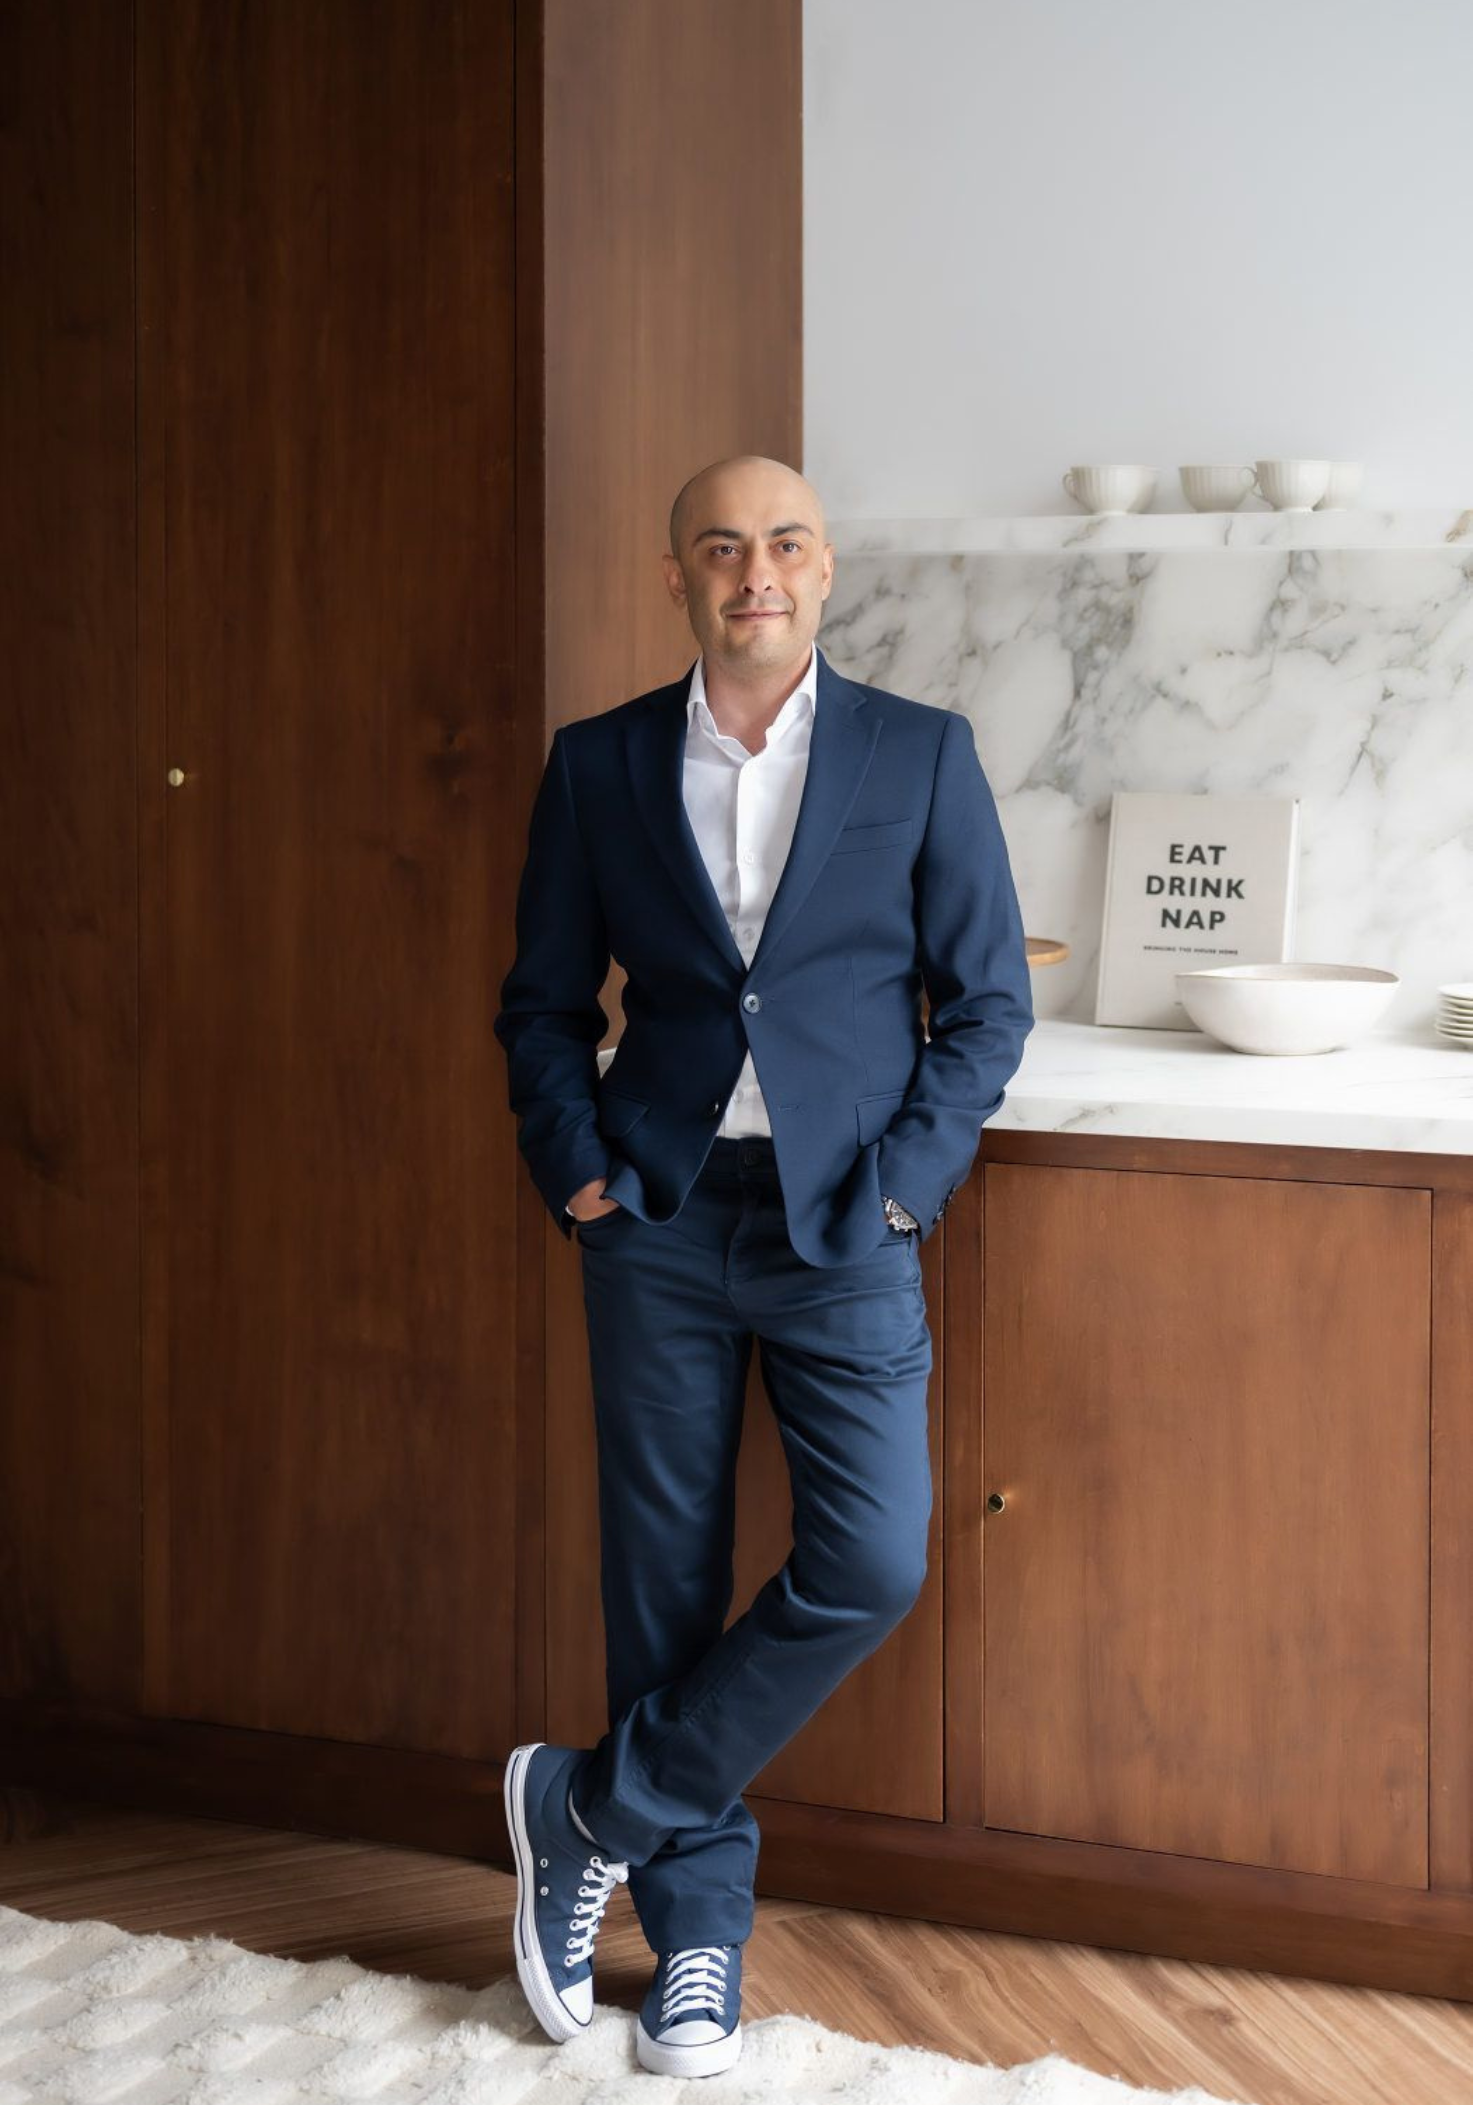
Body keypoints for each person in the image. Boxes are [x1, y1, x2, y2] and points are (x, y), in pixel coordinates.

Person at [494, 454, 1033, 2077]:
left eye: (785, 542)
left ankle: (581, 1805)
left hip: (841, 1224)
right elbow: (537, 1001)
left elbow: (989, 1004)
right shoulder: (597, 765)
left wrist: (899, 1193)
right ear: (678, 578)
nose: (757, 571)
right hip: (655, 1217)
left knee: (872, 1561)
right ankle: (699, 1949)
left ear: (827, 568)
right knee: (661, 1588)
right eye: (722, 547)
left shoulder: (921, 756)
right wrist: (576, 1159)